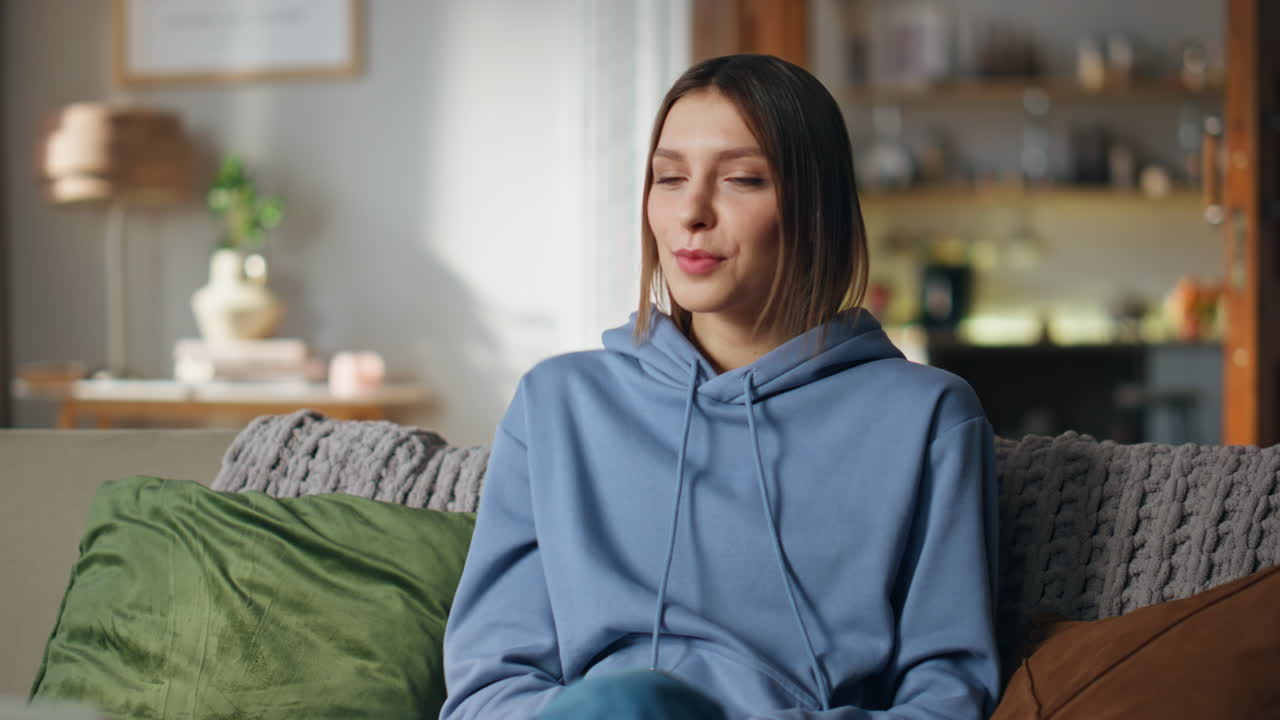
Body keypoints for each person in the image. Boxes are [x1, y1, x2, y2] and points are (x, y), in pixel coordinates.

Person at [440, 54, 1000, 720]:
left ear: (816, 207)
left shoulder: (929, 418)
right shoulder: (558, 405)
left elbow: (947, 696)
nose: (692, 212)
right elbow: (488, 686)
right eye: (669, 178)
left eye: (741, 179)